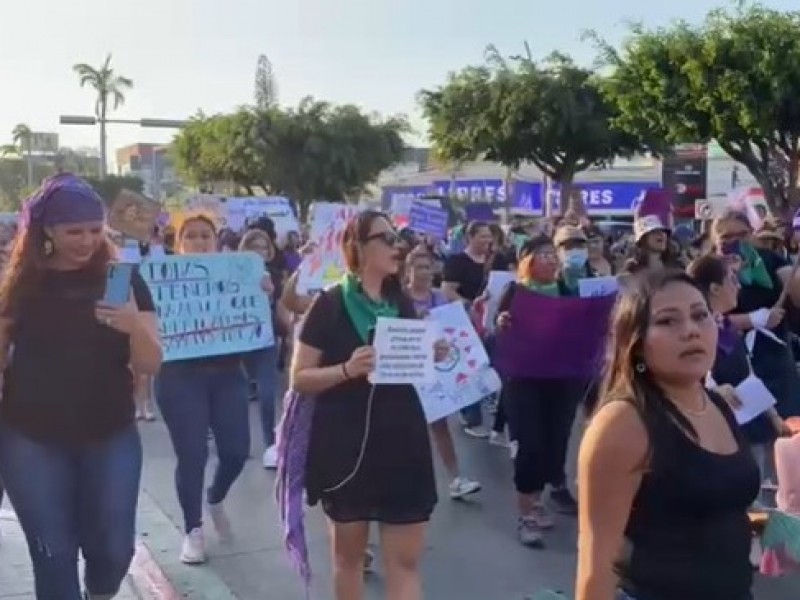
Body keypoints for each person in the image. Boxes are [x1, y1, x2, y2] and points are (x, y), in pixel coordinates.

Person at [0, 173, 162, 599]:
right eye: (75, 231)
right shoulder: (20, 284)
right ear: (46, 231)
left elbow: (150, 362)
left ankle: (99, 593)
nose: (87, 241)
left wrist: (132, 328)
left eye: (94, 230)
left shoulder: (120, 279)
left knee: (113, 549)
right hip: (30, 437)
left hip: (109, 432)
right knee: (52, 555)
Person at [577, 269, 759, 600]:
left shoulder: (716, 403)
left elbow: (710, 506)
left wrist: (766, 524)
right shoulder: (623, 423)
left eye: (700, 315)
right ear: (636, 343)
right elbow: (597, 563)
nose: (690, 331)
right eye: (667, 321)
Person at [292, 210, 437, 600]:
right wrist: (345, 369)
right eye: (387, 239)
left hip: (402, 441)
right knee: (349, 559)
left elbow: (413, 365)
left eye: (397, 239)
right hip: (345, 447)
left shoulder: (400, 302)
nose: (398, 247)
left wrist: (432, 352)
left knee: (405, 563)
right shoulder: (328, 305)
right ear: (358, 248)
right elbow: (300, 377)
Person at [155, 214, 272, 564]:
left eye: (205, 235)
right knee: (192, 454)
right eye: (190, 236)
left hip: (226, 374)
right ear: (178, 244)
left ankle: (215, 495)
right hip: (178, 377)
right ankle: (193, 529)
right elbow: (116, 298)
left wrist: (262, 291)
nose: (199, 241)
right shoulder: (159, 277)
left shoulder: (238, 274)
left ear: (217, 241)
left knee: (236, 452)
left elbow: (261, 325)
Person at [495, 235, 582, 548]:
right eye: (543, 254)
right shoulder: (516, 291)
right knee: (530, 444)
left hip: (559, 379)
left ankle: (538, 499)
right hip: (523, 380)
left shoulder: (565, 290)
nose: (550, 259)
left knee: (554, 443)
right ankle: (526, 514)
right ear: (527, 260)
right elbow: (495, 325)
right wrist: (502, 322)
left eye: (552, 254)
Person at [404, 245, 481, 499]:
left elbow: (458, 328)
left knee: (440, 426)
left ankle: (456, 479)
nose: (425, 272)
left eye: (429, 267)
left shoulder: (440, 297)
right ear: (409, 270)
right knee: (405, 427)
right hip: (409, 371)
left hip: (437, 371)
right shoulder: (401, 299)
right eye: (419, 267)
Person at [238, 229, 292, 468]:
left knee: (268, 394)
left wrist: (271, 296)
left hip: (265, 341)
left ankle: (272, 445)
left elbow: (282, 309)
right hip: (238, 343)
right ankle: (238, 444)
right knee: (237, 394)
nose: (259, 251)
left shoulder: (275, 276)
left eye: (263, 247)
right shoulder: (233, 274)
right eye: (253, 247)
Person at [442, 221, 494, 437]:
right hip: (466, 321)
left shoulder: (494, 260)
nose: (487, 241)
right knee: (470, 366)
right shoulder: (457, 262)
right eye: (482, 236)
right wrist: (468, 304)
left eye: (489, 236)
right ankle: (471, 415)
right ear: (469, 238)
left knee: (488, 364)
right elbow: (447, 289)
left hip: (490, 319)